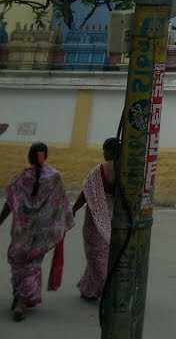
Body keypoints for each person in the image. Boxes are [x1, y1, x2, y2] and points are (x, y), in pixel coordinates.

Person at [0, 143, 74, 321]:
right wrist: (63, 223)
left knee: (18, 263)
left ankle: (19, 296)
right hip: (41, 232)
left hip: (21, 231)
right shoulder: (55, 177)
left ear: (29, 156)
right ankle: (22, 302)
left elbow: (10, 201)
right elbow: (62, 205)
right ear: (45, 156)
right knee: (32, 265)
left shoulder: (21, 177)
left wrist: (0, 219)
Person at [73, 137, 117, 301]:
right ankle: (89, 288)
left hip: (96, 217)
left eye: (105, 150)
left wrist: (74, 209)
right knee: (105, 253)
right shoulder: (126, 171)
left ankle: (107, 289)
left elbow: (85, 193)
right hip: (114, 217)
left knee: (96, 254)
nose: (103, 153)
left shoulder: (98, 170)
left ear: (110, 151)